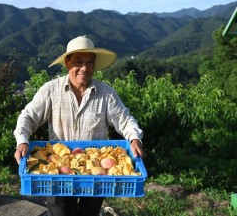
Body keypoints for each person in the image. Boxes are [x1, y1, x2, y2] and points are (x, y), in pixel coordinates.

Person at [13, 35, 144, 216]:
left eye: (90, 62)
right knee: (60, 212)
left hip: (95, 173)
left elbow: (125, 120)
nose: (85, 68)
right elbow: (28, 116)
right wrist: (22, 140)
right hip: (58, 171)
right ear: (67, 63)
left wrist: (134, 138)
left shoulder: (106, 94)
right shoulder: (50, 90)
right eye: (78, 61)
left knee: (89, 213)